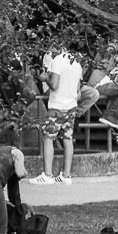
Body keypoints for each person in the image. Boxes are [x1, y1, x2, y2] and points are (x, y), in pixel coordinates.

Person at [36, 47, 83, 184]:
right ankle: (66, 175)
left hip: (57, 106)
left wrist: (45, 78)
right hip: (71, 107)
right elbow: (78, 91)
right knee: (67, 138)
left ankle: (48, 175)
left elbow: (54, 85)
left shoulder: (57, 61)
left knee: (48, 137)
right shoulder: (77, 63)